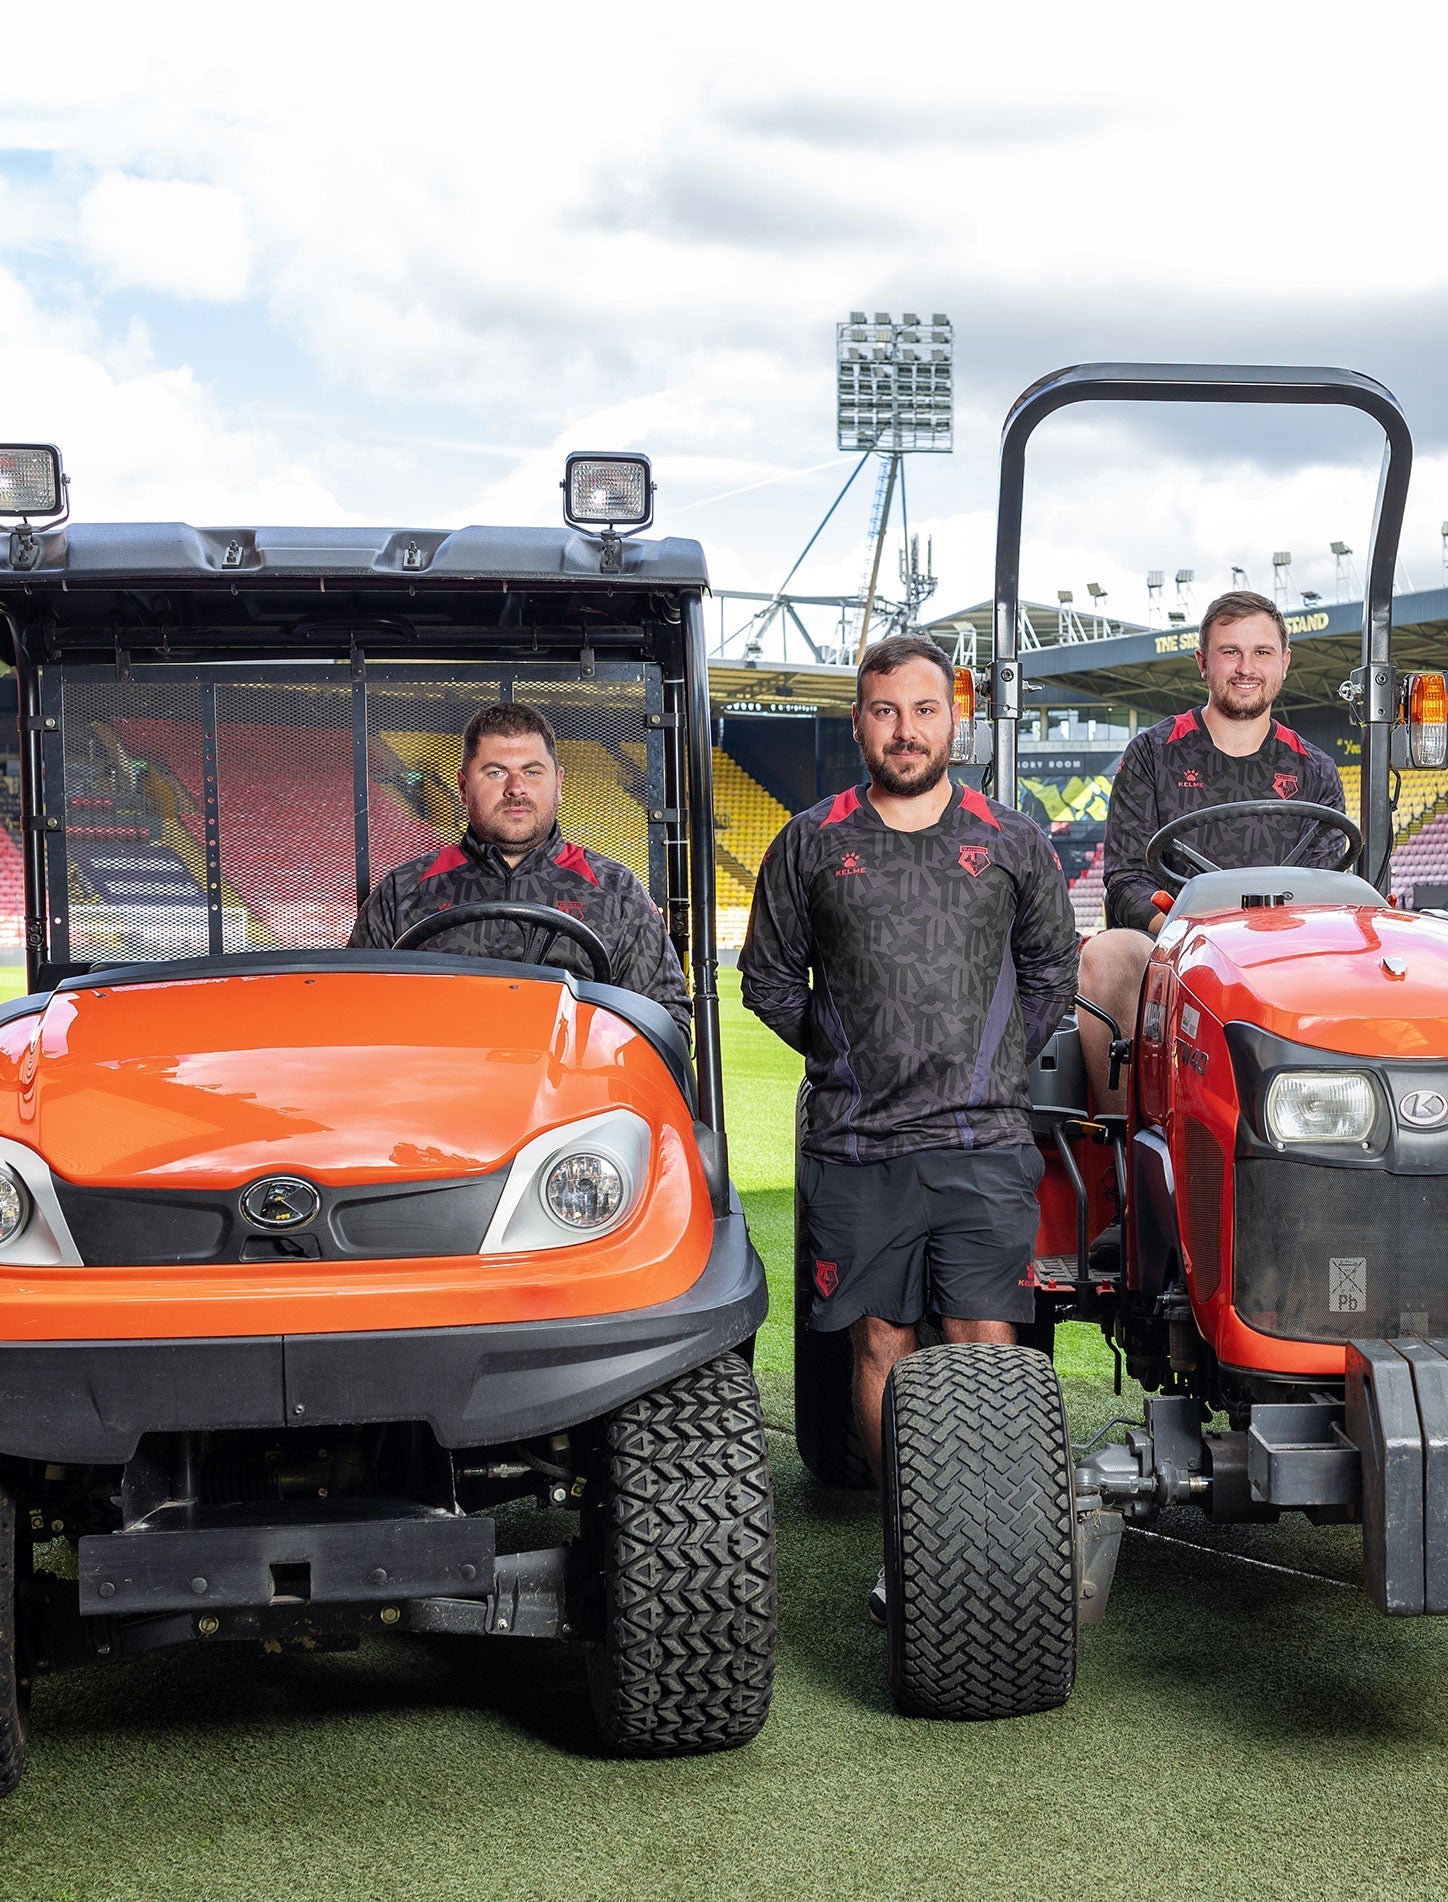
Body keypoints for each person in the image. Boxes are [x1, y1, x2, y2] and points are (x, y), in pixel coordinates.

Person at [738, 632, 1078, 1610]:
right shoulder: (811, 838)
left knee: (984, 1334)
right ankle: (918, 1551)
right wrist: (846, 1055)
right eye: (885, 710)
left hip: (983, 1141)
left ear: (953, 720)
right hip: (859, 1145)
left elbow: (1054, 965)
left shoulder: (1012, 839)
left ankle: (997, 1555)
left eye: (924, 709)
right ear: (860, 722)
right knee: (882, 1342)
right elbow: (766, 977)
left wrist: (1002, 1059)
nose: (906, 728)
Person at [1078, 589, 1347, 1110]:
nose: (1246, 667)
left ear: (1285, 663)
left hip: (1286, 956)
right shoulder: (1153, 755)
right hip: (1177, 951)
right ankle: (1129, 1154)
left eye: (1262, 652)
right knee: (1109, 954)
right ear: (1204, 662)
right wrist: (1185, 931)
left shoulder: (1315, 770)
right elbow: (1127, 881)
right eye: (1231, 652)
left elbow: (1333, 886)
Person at [348, 701, 690, 1034]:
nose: (516, 788)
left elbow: (661, 1020)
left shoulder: (616, 891)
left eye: (532, 771)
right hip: (438, 1083)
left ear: (558, 784)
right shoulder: (403, 891)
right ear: (464, 787)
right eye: (496, 772)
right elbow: (356, 1010)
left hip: (571, 1085)